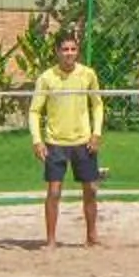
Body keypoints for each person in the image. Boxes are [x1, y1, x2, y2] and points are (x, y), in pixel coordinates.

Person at [27, 28, 105, 249]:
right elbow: (34, 111)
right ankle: (51, 240)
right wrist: (37, 140)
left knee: (90, 189)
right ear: (57, 52)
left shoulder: (88, 75)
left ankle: (92, 237)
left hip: (83, 141)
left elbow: (97, 105)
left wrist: (96, 133)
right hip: (56, 142)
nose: (69, 53)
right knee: (54, 191)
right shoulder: (46, 78)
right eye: (65, 49)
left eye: (73, 49)